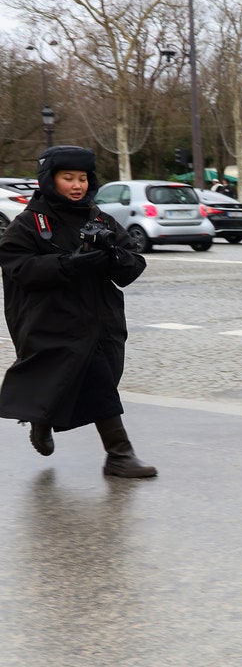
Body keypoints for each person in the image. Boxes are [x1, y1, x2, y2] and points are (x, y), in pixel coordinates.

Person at [0, 145, 155, 478]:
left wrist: (112, 254)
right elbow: (18, 269)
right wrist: (67, 263)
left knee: (98, 379)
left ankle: (42, 418)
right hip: (53, 322)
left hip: (102, 321)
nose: (77, 185)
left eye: (82, 178)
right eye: (68, 178)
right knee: (98, 383)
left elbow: (132, 266)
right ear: (49, 180)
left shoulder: (99, 218)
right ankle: (119, 454)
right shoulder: (28, 224)